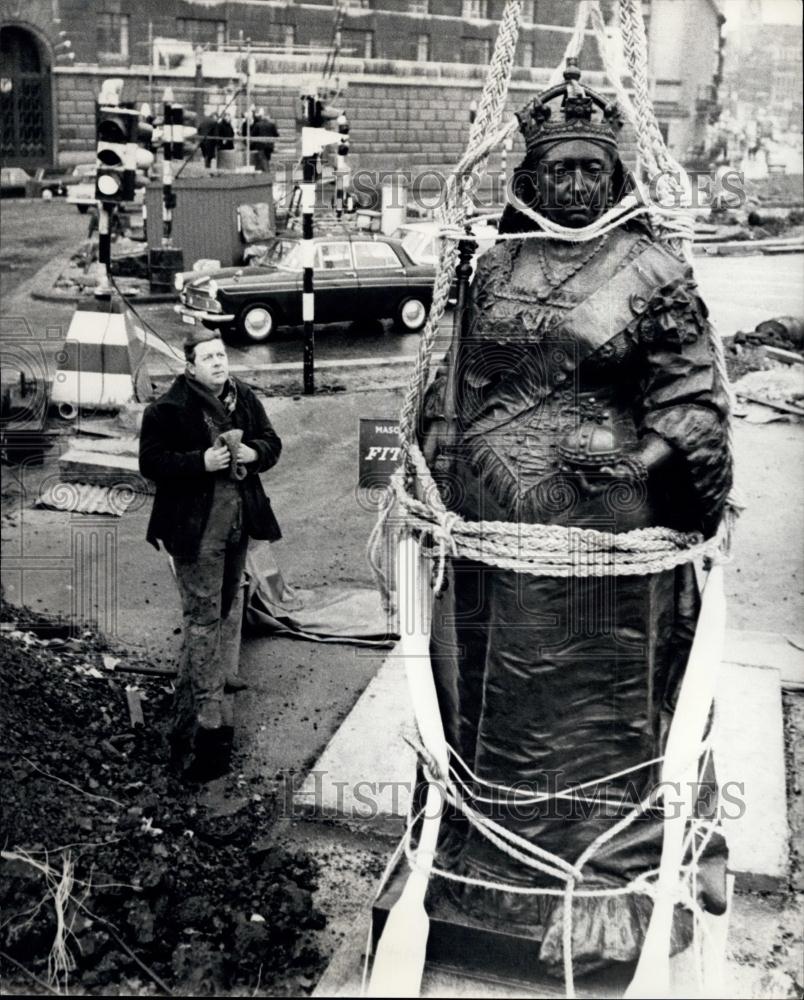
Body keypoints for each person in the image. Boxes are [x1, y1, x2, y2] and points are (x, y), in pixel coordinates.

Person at [420, 62, 733, 977]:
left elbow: (692, 403)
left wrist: (636, 464)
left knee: (596, 710)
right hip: (491, 529)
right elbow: (454, 384)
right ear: (533, 175)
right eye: (559, 169)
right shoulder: (492, 261)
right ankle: (489, 871)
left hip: (606, 533)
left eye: (591, 170)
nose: (575, 185)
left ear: (614, 175)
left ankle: (602, 883)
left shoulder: (655, 270)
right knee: (493, 698)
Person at [139, 330, 282, 781]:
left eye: (222, 355)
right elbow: (151, 464)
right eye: (209, 357)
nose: (220, 363)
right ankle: (208, 724)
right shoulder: (168, 409)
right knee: (203, 620)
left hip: (238, 526)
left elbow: (272, 443)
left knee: (226, 605)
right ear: (191, 366)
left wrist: (252, 453)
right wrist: (200, 463)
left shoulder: (244, 398)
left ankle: (210, 681)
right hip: (195, 532)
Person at [247, 107, 279, 171]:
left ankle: (267, 174)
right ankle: (265, 174)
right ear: (268, 117)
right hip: (269, 146)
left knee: (263, 160)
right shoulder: (272, 124)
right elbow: (276, 135)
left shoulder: (258, 124)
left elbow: (253, 134)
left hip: (260, 145)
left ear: (262, 117)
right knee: (267, 159)